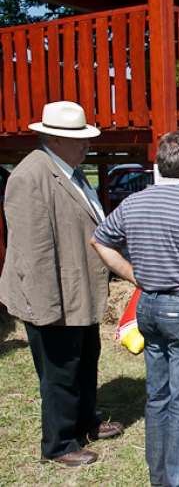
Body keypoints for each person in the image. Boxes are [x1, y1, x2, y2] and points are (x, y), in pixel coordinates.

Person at [91, 130, 179, 486]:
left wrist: (135, 277)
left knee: (158, 398)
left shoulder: (135, 202)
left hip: (150, 308)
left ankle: (159, 478)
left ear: (160, 163)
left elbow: (100, 240)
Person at [0, 101, 122, 467]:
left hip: (77, 292)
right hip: (53, 299)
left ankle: (85, 422)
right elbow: (32, 252)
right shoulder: (30, 177)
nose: (87, 145)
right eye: (79, 139)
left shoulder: (70, 171)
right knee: (60, 372)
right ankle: (58, 444)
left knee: (84, 362)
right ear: (53, 138)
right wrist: (48, 310)